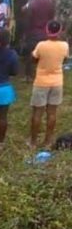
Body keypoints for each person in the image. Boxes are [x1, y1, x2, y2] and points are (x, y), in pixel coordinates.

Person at [30, 21, 69, 149]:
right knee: (52, 113)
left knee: (37, 113)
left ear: (47, 30)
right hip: (57, 82)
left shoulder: (41, 45)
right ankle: (48, 140)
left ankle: (33, 142)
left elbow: (34, 58)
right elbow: (65, 59)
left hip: (41, 82)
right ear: (60, 31)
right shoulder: (64, 45)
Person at [24, 0, 56, 81]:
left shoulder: (32, 3)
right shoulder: (50, 3)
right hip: (46, 33)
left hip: (33, 33)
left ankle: (29, 76)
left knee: (30, 54)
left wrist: (26, 34)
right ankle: (44, 74)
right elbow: (52, 18)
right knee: (45, 55)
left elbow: (28, 19)